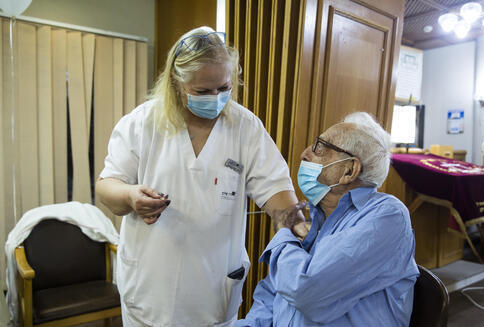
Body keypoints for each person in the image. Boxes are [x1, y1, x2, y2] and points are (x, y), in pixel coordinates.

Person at [95, 26, 299, 326]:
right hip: (151, 290)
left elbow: (276, 190)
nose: (215, 98)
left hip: (213, 291)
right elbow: (106, 187)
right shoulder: (143, 123)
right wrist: (130, 196)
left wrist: (295, 223)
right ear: (177, 84)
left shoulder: (245, 127)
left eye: (223, 88)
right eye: (202, 91)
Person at [236, 112, 420, 327]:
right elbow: (273, 292)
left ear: (349, 170)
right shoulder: (318, 219)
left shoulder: (387, 215)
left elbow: (305, 291)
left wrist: (285, 230)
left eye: (320, 147)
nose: (304, 154)